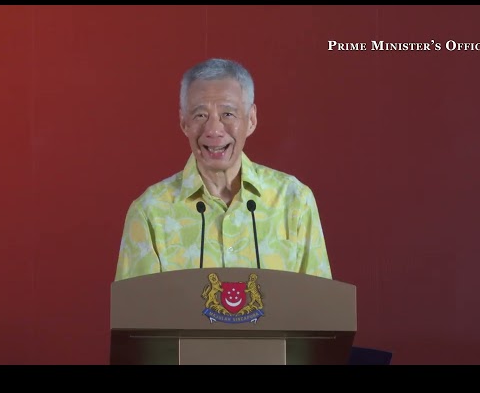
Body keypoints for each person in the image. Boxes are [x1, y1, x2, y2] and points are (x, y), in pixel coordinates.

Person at [114, 58, 332, 281]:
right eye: (200, 115)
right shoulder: (151, 212)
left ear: (251, 120)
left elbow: (319, 309)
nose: (214, 130)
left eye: (228, 114)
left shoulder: (294, 201)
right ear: (184, 123)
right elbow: (136, 313)